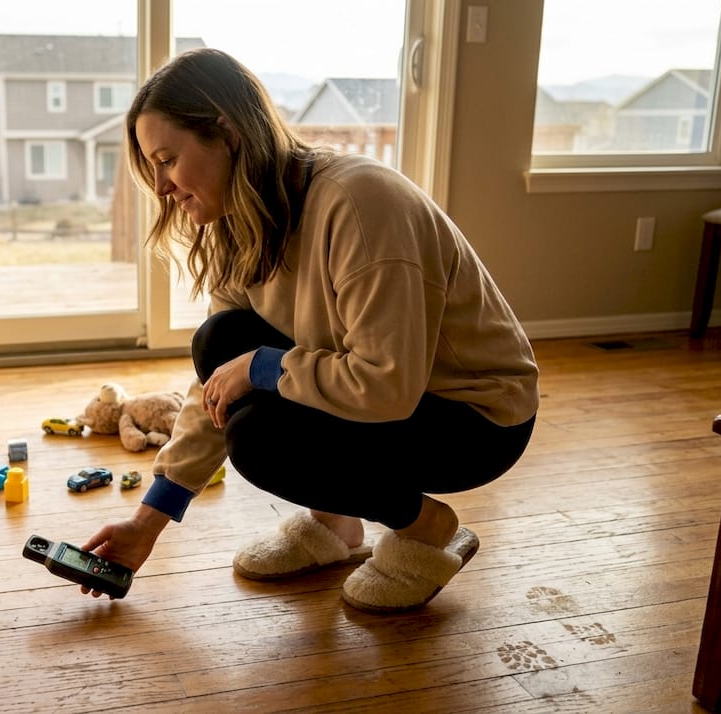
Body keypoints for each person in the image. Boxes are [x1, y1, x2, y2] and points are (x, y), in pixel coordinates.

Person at [80, 48, 539, 612]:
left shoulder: (361, 203)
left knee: (260, 437)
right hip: (388, 400)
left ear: (225, 132)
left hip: (473, 417)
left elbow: (386, 385)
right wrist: (146, 522)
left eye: (168, 159)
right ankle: (337, 525)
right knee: (219, 342)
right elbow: (215, 387)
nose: (162, 186)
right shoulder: (239, 222)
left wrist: (262, 366)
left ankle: (428, 527)